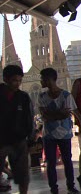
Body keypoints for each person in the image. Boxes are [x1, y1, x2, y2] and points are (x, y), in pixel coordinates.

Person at [37, 68, 79, 194]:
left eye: (42, 78)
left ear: (49, 79)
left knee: (67, 160)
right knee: (51, 162)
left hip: (64, 134)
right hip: (49, 135)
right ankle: (54, 188)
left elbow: (66, 114)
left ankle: (70, 185)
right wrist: (59, 113)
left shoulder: (66, 95)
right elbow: (45, 116)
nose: (40, 81)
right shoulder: (41, 96)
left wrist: (52, 115)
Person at [0, 65, 34, 194]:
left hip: (19, 140)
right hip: (1, 140)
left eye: (20, 81)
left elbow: (29, 118)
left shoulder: (23, 97)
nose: (17, 84)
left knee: (23, 174)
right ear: (6, 79)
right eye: (14, 80)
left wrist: (30, 139)